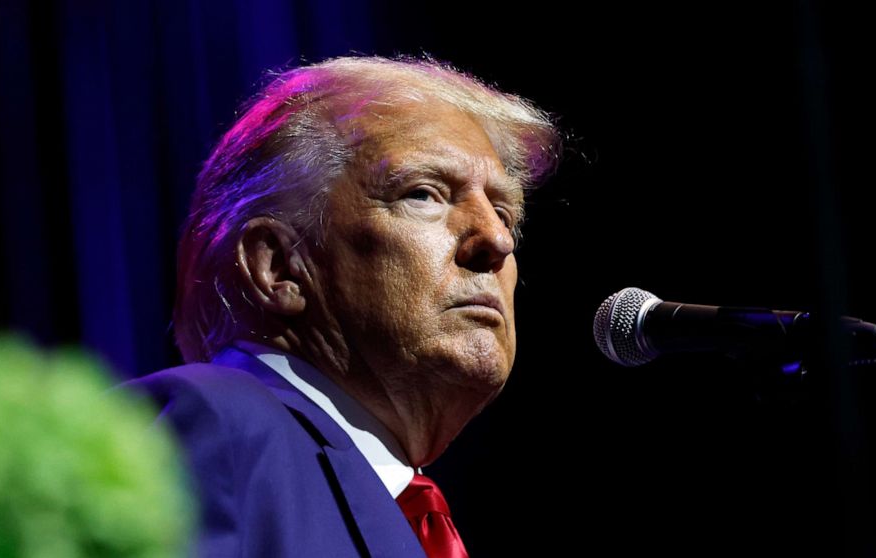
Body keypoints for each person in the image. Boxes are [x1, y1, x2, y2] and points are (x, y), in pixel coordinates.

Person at [120, 55, 561, 557]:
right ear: (280, 267)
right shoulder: (219, 426)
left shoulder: (395, 500)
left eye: (504, 212)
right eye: (424, 194)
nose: (497, 240)